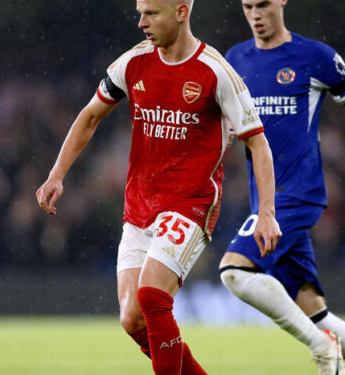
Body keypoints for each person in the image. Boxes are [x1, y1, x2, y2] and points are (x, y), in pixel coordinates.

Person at [35, 1, 288, 374]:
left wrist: (266, 212)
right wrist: (57, 173)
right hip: (139, 204)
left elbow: (258, 142)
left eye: (151, 13)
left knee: (152, 295)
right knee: (132, 320)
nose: (141, 22)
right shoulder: (133, 63)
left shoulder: (216, 72)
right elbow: (90, 115)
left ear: (181, 12)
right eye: (140, 12)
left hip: (191, 201)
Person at [219, 1, 345, 374]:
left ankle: (322, 349)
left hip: (297, 194)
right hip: (267, 201)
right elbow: (228, 123)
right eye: (247, 6)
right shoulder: (235, 59)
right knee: (319, 315)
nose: (255, 14)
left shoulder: (314, 57)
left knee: (234, 272)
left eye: (262, 5)